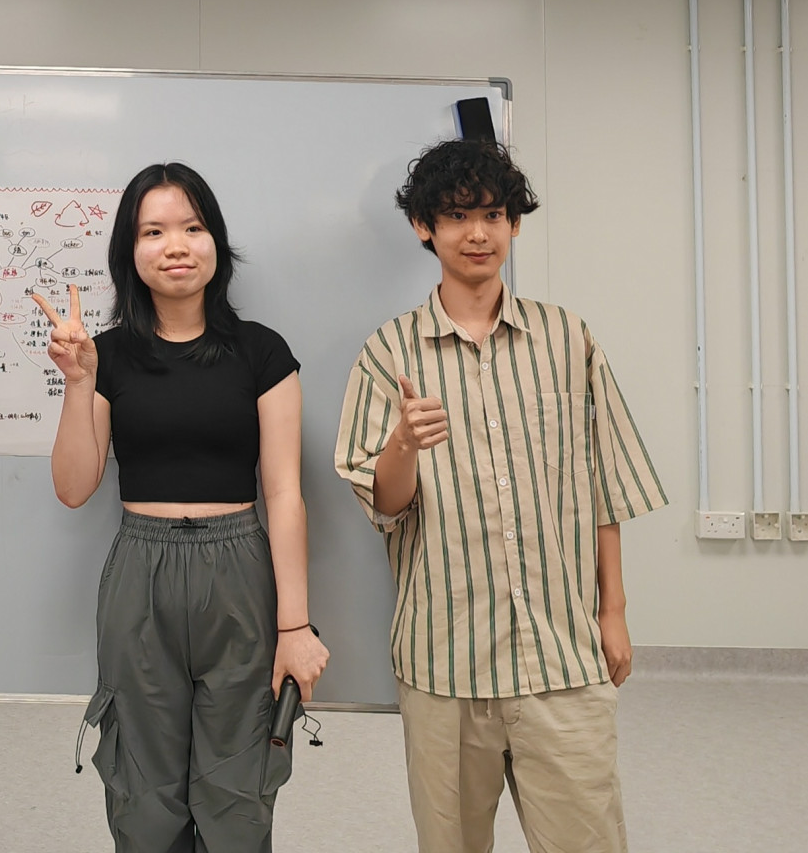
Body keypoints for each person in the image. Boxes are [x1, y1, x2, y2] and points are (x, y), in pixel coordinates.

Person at [334, 138, 667, 853]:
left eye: (492, 214)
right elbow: (384, 505)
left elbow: (604, 484)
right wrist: (403, 442)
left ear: (514, 222)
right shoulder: (389, 352)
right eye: (455, 216)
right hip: (444, 662)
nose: (477, 233)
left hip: (561, 654)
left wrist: (612, 612)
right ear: (423, 227)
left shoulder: (566, 337)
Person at [34, 161, 329, 853]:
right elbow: (73, 487)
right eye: (153, 231)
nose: (175, 246)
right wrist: (78, 383)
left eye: (192, 228)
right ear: (129, 251)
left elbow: (284, 493)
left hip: (240, 570)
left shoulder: (262, 353)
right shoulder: (105, 355)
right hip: (141, 570)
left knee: (237, 789)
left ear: (215, 242)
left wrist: (295, 625)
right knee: (143, 790)